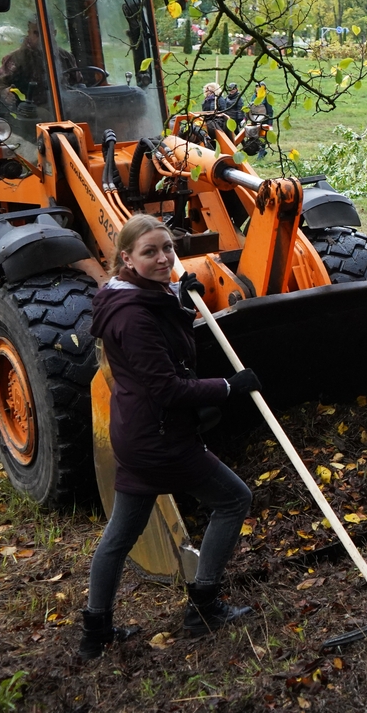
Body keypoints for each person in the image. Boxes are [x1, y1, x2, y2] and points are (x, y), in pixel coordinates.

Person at [80, 214, 262, 660]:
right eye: (150, 252)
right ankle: (204, 608)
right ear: (126, 257)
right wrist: (228, 388)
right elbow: (166, 387)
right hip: (162, 438)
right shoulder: (133, 316)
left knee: (120, 535)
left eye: (167, 249)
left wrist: (179, 302)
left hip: (138, 433)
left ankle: (95, 633)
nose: (163, 258)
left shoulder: (132, 294)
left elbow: (161, 344)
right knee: (233, 500)